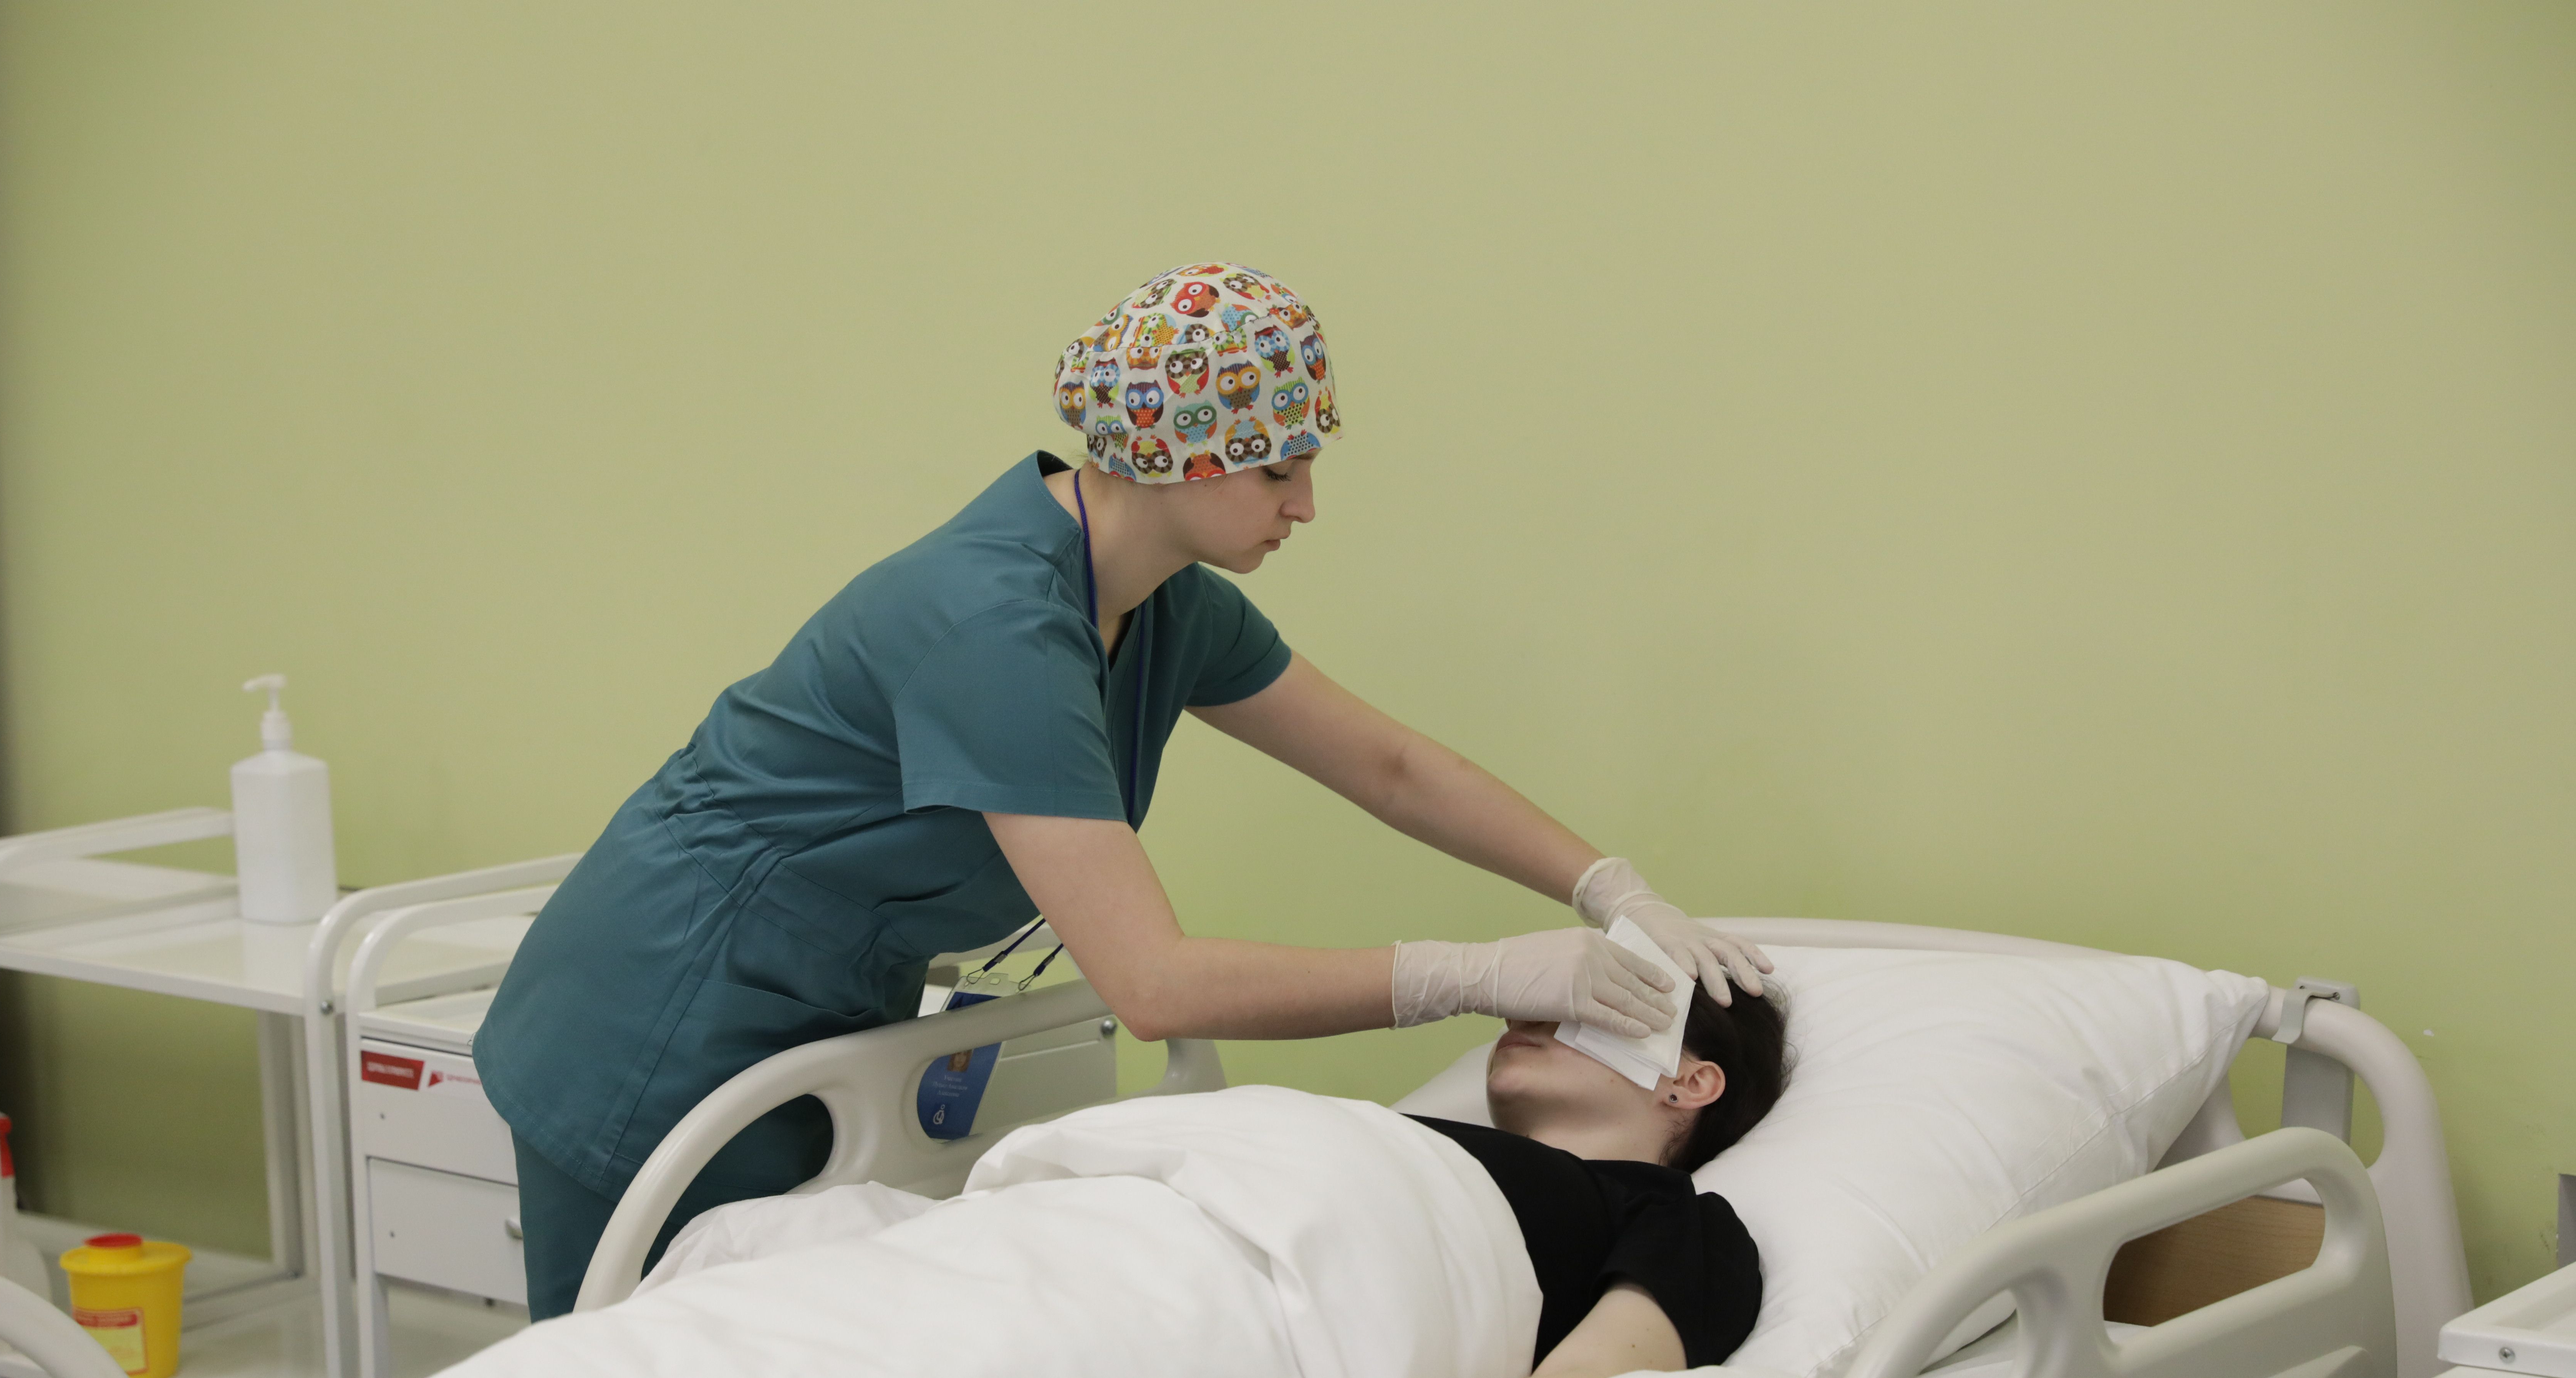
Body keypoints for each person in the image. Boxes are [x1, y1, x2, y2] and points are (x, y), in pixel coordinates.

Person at [476, 260, 1773, 1318]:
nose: (1307, 506)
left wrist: (1608, 885)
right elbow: (1153, 986)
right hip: (657, 1016)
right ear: (1178, 454)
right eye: (1280, 469)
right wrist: (1468, 975)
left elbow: (1391, 767)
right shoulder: (995, 625)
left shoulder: (1163, 607)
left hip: (817, 1022)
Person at [1224, 982, 1790, 1378]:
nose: (1528, 1018)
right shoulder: (1404, 1134)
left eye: (1593, 1010)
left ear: (1689, 1082)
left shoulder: (1681, 1219)